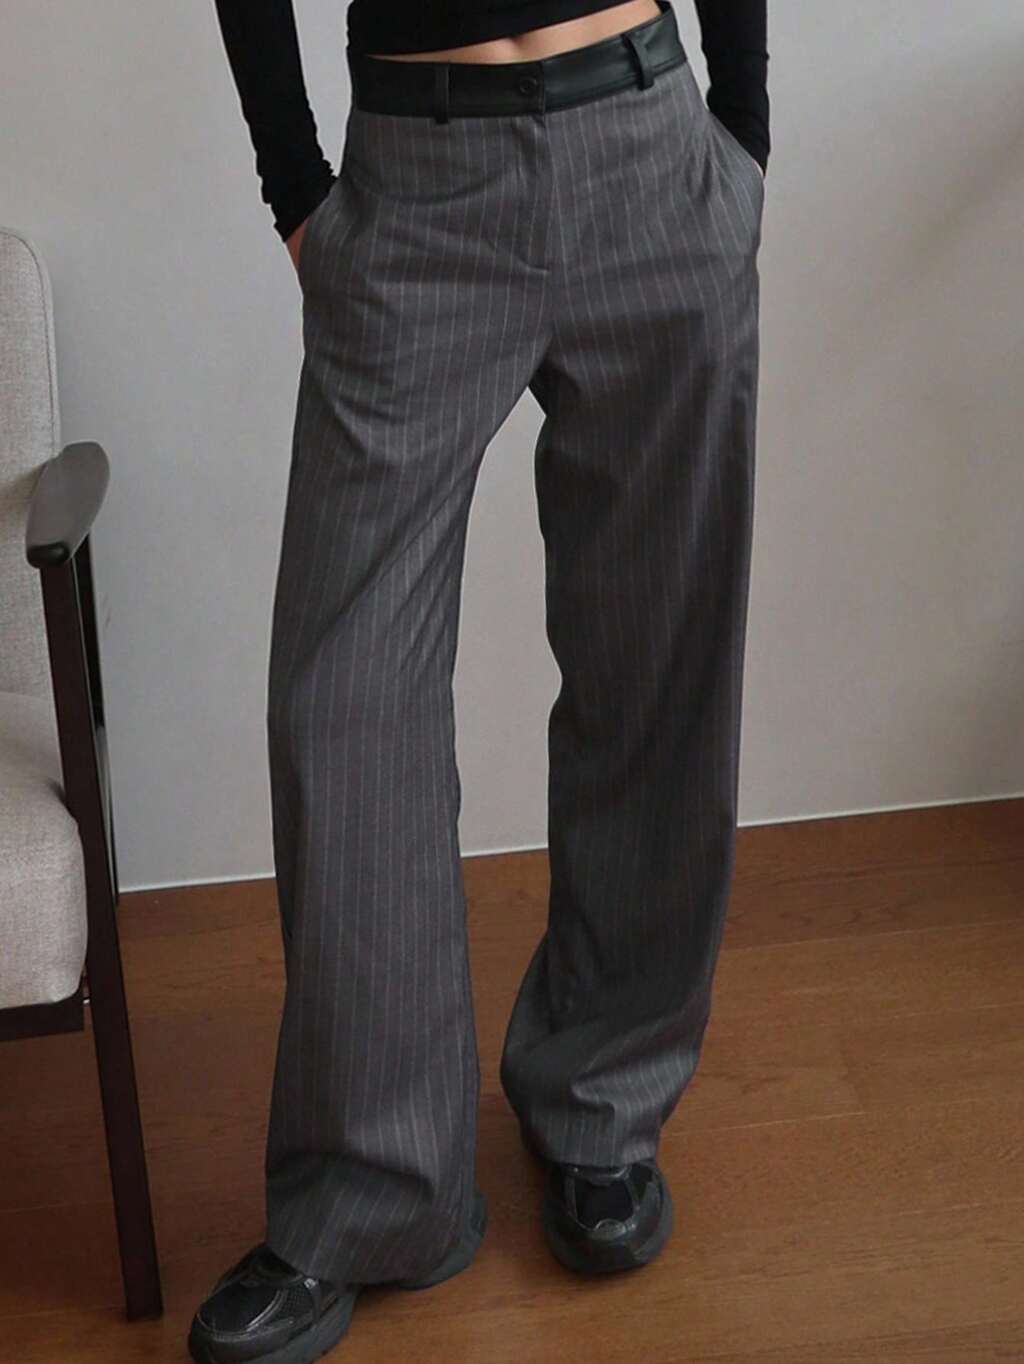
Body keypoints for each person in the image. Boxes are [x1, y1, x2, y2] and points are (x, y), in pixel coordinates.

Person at [191, 2, 769, 1360]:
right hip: (414, 188)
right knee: (343, 706)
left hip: (650, 153)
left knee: (656, 663)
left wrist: (741, 133)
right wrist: (297, 193)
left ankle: (603, 1104)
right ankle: (372, 1192)